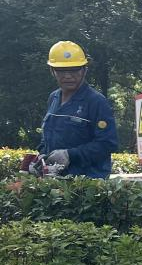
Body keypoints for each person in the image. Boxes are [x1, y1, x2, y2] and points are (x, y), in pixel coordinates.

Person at [39, 41, 119, 179]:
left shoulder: (96, 101)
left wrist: (70, 155)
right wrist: (41, 156)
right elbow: (47, 137)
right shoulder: (53, 98)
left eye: (74, 70)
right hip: (55, 182)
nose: (68, 76)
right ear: (52, 71)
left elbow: (107, 144)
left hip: (88, 184)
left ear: (84, 70)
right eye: (61, 71)